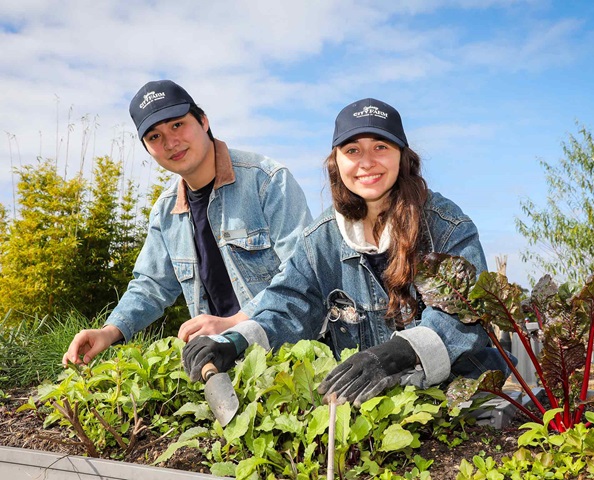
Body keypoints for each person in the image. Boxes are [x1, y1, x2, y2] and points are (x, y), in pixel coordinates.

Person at [182, 98, 509, 406]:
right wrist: (233, 342)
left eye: (380, 147)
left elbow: (464, 320)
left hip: (459, 399)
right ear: (336, 162)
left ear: (403, 157)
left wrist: (393, 354)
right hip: (376, 412)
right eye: (353, 150)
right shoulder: (320, 239)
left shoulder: (447, 226)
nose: (367, 162)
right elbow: (287, 308)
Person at [62, 80, 313, 366]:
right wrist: (109, 332)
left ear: (203, 121)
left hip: (289, 353)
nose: (170, 143)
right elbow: (151, 285)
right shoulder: (165, 211)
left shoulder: (266, 181)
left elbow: (302, 271)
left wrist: (236, 323)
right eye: (154, 137)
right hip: (220, 361)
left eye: (177, 125)